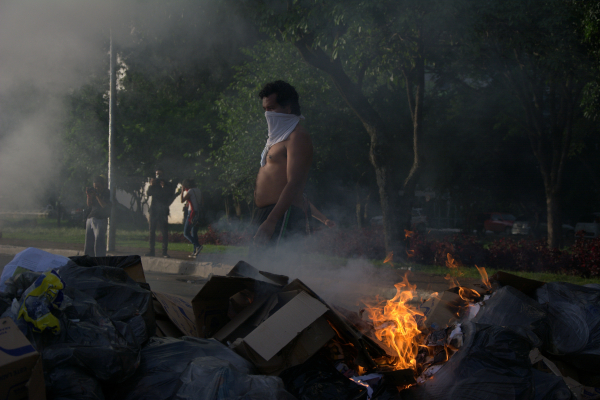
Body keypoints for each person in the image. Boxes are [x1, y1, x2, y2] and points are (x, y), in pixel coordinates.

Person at [252, 80, 313, 248]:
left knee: (271, 271)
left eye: (271, 109)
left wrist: (272, 220)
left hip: (282, 214)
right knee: (256, 269)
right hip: (267, 213)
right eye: (264, 109)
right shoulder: (276, 140)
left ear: (288, 109)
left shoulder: (297, 137)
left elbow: (294, 182)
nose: (267, 114)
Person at [146, 168, 178, 257]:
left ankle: (164, 252)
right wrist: (151, 185)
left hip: (163, 211)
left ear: (163, 175)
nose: (158, 176)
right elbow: (148, 193)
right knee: (152, 231)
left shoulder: (168, 184)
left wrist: (164, 187)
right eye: (157, 174)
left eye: (160, 174)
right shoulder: (154, 184)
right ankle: (151, 251)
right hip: (154, 210)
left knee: (164, 232)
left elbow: (170, 195)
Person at [84, 176, 112, 257]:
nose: (96, 188)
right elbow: (89, 205)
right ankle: (88, 259)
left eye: (98, 186)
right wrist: (89, 196)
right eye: (95, 186)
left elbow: (104, 206)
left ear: (103, 185)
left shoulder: (106, 193)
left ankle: (100, 259)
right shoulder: (94, 192)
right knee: (89, 243)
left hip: (100, 219)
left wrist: (97, 195)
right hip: (91, 218)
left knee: (99, 242)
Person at [180, 179, 203, 258]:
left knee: (186, 233)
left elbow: (182, 200)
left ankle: (197, 246)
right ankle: (194, 252)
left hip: (192, 214)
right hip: (198, 213)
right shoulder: (198, 190)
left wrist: (182, 191)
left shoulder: (190, 191)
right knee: (194, 233)